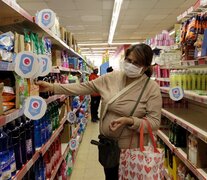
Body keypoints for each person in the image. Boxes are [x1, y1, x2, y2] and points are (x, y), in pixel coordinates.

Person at [36, 43, 162, 180]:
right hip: (108, 147)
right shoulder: (112, 77)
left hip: (131, 151)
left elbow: (154, 122)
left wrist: (130, 121)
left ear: (145, 67)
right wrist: (52, 87)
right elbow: (84, 87)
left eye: (136, 63)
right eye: (129, 60)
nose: (130, 65)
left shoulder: (151, 88)